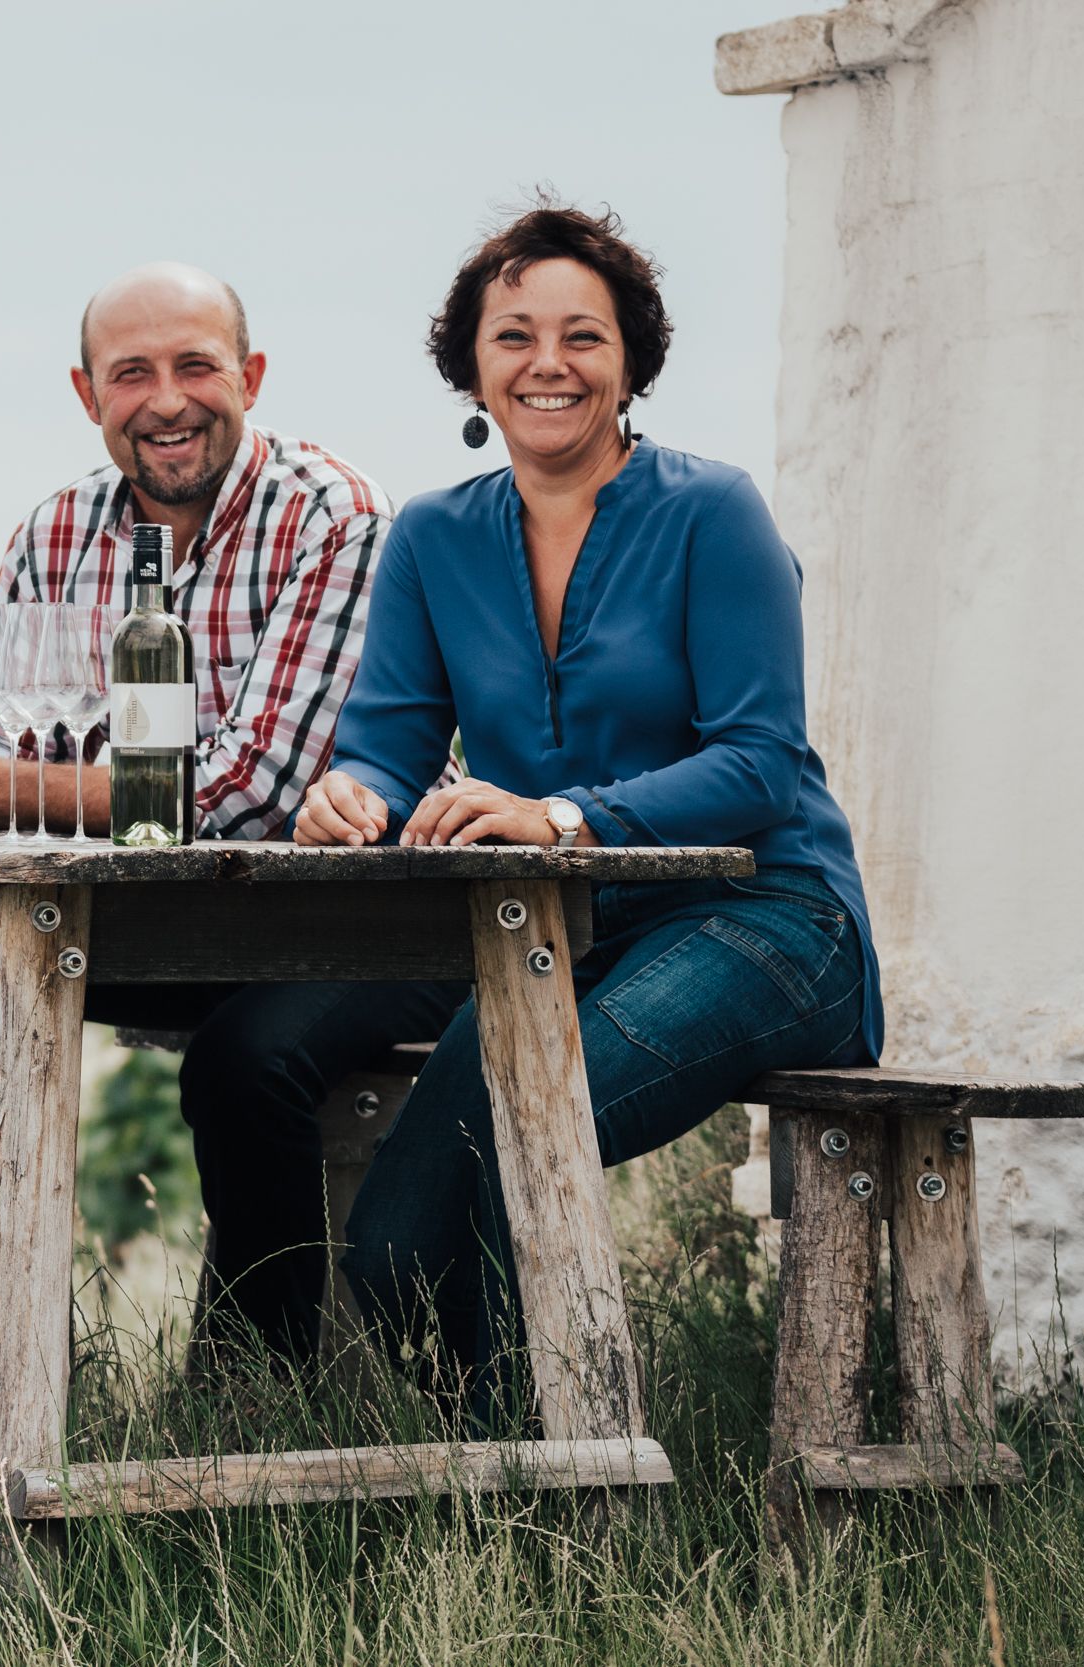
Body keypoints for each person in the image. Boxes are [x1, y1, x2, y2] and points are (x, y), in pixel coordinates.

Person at [297, 202, 882, 1420]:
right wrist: (351, 794)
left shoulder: (711, 512)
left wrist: (558, 816)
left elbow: (760, 762)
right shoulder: (431, 535)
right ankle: (491, 1474)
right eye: (514, 336)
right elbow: (387, 745)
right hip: (561, 938)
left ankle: (567, 1498)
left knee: (522, 1153)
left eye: (583, 336)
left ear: (631, 363)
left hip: (764, 918)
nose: (547, 364)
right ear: (472, 364)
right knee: (392, 1243)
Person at [0, 262, 458, 1365]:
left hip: (336, 914)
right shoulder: (55, 530)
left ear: (249, 376)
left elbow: (245, 794)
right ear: (89, 396)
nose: (165, 399)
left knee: (245, 1060)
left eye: (195, 366)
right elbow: (0, 736)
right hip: (140, 909)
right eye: (132, 373)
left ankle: (257, 1379)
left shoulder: (334, 518)